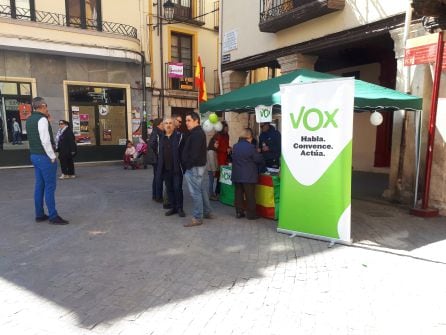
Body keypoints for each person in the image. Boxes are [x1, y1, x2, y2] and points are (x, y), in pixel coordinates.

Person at [26, 97, 68, 225]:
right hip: (44, 157)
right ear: (42, 106)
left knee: (39, 185)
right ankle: (53, 216)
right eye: (46, 106)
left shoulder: (30, 119)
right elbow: (45, 140)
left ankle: (39, 214)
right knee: (50, 187)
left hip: (34, 155)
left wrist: (48, 120)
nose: (48, 108)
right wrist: (52, 156)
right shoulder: (42, 119)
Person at [181, 111, 213, 227]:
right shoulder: (197, 132)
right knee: (201, 190)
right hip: (198, 166)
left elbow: (194, 154)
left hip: (194, 167)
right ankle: (207, 212)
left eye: (189, 120)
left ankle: (198, 217)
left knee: (195, 192)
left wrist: (187, 165)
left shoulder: (196, 134)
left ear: (196, 121)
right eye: (186, 121)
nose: (186, 123)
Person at [232, 128, 264, 220]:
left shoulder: (235, 146)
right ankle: (251, 214)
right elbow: (258, 159)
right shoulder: (251, 147)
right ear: (248, 137)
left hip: (237, 175)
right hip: (248, 175)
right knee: (250, 195)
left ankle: (239, 212)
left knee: (238, 194)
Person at [156, 117, 185, 217]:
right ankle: (173, 208)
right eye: (166, 123)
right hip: (165, 169)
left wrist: (183, 165)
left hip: (176, 169)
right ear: (163, 126)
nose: (168, 125)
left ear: (174, 125)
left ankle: (180, 208)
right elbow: (158, 152)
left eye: (170, 123)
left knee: (177, 188)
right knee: (169, 189)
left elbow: (184, 153)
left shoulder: (179, 136)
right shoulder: (161, 138)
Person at [148, 118, 164, 201]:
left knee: (156, 177)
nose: (164, 125)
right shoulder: (157, 133)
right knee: (159, 177)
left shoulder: (156, 132)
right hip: (157, 159)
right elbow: (152, 144)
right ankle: (158, 196)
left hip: (156, 158)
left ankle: (155, 195)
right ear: (158, 125)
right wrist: (157, 154)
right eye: (162, 124)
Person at [206, 136, 219, 201]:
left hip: (212, 169)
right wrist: (214, 170)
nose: (217, 145)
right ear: (212, 144)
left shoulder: (213, 151)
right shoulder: (211, 151)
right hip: (211, 169)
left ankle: (211, 193)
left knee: (212, 181)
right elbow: (212, 162)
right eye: (216, 143)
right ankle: (210, 195)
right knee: (211, 182)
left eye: (218, 143)